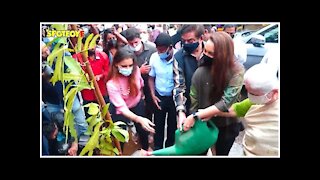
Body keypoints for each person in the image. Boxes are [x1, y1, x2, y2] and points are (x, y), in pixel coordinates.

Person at [182, 32, 245, 155]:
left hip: (227, 125)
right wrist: (193, 119)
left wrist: (196, 116)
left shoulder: (236, 71)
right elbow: (193, 98)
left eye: (211, 53)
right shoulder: (200, 71)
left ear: (223, 55)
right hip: (203, 124)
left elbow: (226, 101)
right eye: (205, 51)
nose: (206, 55)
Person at [217, 63, 279, 156]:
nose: (250, 96)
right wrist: (207, 113)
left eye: (254, 94)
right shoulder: (255, 102)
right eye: (248, 92)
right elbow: (235, 109)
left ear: (274, 92)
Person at [106, 48, 155, 151]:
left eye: (130, 65)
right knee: (120, 135)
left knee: (143, 130)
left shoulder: (136, 70)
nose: (128, 68)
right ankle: (120, 152)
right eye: (124, 66)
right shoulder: (111, 84)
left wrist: (141, 97)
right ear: (116, 64)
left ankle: (145, 149)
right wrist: (138, 119)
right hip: (120, 111)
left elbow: (140, 84)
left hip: (137, 103)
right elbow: (122, 108)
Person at [122, 27, 157, 134]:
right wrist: (139, 71)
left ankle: (150, 130)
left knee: (151, 108)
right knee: (137, 111)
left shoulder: (152, 49)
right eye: (130, 43)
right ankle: (141, 132)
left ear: (140, 39)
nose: (134, 45)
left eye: (136, 42)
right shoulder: (124, 52)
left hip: (150, 84)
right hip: (133, 86)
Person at [148, 33, 177, 150]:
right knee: (158, 125)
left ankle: (170, 149)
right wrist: (153, 95)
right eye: (158, 50)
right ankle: (158, 149)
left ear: (170, 48)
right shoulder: (154, 57)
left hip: (174, 98)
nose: (160, 53)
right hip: (159, 97)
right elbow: (151, 77)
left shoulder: (178, 58)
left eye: (162, 51)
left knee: (172, 126)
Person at [172, 24, 205, 130]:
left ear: (201, 38)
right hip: (190, 106)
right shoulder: (178, 57)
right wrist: (181, 112)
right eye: (183, 41)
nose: (186, 44)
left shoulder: (211, 52)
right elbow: (179, 86)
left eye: (190, 41)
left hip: (211, 106)